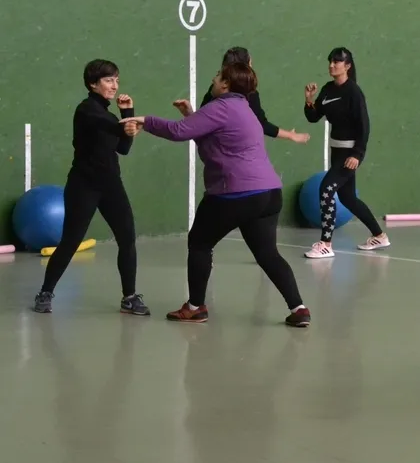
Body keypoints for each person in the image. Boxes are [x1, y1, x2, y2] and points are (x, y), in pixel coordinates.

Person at [120, 63, 312, 327]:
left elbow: (178, 132)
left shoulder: (220, 107)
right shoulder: (244, 108)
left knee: (199, 242)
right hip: (268, 194)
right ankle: (299, 309)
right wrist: (192, 116)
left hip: (235, 193)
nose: (213, 79)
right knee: (268, 253)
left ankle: (195, 307)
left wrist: (145, 120)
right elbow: (216, 140)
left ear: (225, 84)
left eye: (218, 76)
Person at [33, 59, 149, 316]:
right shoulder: (86, 110)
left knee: (127, 238)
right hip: (83, 185)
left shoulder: (108, 114)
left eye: (117, 80)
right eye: (108, 80)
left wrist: (128, 114)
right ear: (93, 84)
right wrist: (128, 122)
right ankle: (45, 292)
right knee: (71, 241)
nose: (114, 85)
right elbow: (112, 127)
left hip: (111, 186)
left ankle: (129, 297)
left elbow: (123, 148)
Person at [302, 47, 389, 259]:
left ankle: (326, 243)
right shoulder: (328, 89)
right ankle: (379, 235)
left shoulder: (354, 93)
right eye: (330, 61)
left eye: (337, 62)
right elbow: (313, 117)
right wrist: (308, 100)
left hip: (349, 154)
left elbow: (364, 126)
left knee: (325, 189)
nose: (332, 65)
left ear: (347, 66)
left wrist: (357, 154)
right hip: (336, 151)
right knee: (348, 198)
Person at [200, 46, 310, 144]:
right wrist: (291, 135)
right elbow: (261, 124)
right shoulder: (249, 94)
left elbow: (202, 115)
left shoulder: (215, 88)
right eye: (250, 64)